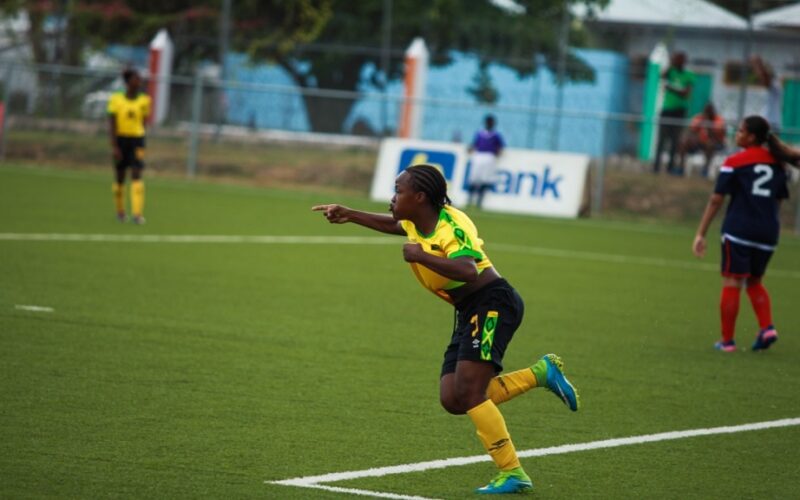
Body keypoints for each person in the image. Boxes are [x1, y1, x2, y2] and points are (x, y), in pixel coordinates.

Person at [312, 164, 579, 494]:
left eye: (398, 191)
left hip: (492, 302)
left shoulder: (451, 223)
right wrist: (349, 214)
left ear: (420, 197)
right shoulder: (416, 219)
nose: (392, 198)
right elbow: (396, 224)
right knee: (453, 398)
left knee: (469, 392)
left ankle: (512, 472)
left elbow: (467, 269)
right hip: (469, 309)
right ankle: (541, 373)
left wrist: (422, 257)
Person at [692, 115, 790, 352]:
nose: (736, 134)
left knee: (732, 281)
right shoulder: (778, 164)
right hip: (768, 233)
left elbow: (717, 199)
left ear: (752, 137)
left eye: (740, 131)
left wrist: (700, 233)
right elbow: (778, 201)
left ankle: (727, 342)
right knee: (755, 280)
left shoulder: (734, 162)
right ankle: (767, 327)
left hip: (739, 230)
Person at [108, 68, 151, 224]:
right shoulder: (116, 99)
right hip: (121, 140)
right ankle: (120, 212)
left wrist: (141, 138)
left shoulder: (144, 100)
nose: (139, 82)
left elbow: (144, 122)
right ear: (128, 82)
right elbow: (112, 124)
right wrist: (115, 146)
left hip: (137, 141)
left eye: (140, 79)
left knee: (137, 173)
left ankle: (137, 214)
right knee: (120, 176)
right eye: (136, 79)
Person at [654, 52, 694, 175]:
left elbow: (685, 93)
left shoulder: (688, 75)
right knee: (661, 140)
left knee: (674, 141)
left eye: (678, 59)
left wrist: (671, 88)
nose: (676, 61)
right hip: (667, 110)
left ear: (683, 61)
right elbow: (662, 76)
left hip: (679, 111)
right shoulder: (670, 72)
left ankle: (670, 168)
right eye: (674, 59)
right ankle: (656, 167)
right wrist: (670, 65)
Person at [467, 114, 505, 209]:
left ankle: (479, 202)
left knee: (485, 179)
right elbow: (474, 144)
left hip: (489, 157)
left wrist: (497, 154)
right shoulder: (479, 133)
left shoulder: (496, 135)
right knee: (474, 178)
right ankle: (469, 200)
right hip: (478, 156)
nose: (489, 124)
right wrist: (470, 149)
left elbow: (500, 147)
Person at [678, 103, 726, 177]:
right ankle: (680, 168)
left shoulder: (718, 119)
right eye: (706, 111)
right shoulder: (699, 117)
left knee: (710, 144)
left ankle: (705, 169)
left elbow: (717, 136)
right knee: (683, 142)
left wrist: (708, 125)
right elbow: (691, 131)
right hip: (699, 142)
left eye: (710, 112)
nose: (708, 114)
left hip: (716, 143)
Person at [751, 55, 782, 132]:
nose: (759, 76)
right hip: (764, 123)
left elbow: (766, 77)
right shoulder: (767, 88)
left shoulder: (774, 85)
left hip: (771, 124)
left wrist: (758, 65)